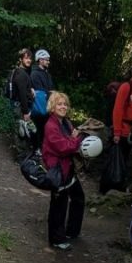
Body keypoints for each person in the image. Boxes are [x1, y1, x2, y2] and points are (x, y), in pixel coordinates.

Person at [41, 92, 85, 251]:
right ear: (52, 107)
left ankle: (72, 231)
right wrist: (75, 139)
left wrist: (73, 140)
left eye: (65, 104)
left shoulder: (66, 122)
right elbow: (63, 147)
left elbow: (71, 142)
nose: (63, 107)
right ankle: (56, 239)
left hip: (68, 167)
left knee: (78, 197)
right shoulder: (51, 126)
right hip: (58, 170)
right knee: (59, 204)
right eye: (59, 104)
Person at [31, 48, 55, 142]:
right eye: (46, 60)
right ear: (40, 60)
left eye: (48, 60)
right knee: (39, 129)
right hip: (39, 108)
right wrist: (50, 93)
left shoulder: (47, 74)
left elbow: (51, 88)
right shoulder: (34, 74)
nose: (48, 62)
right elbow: (39, 91)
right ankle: (37, 148)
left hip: (48, 106)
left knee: (46, 129)